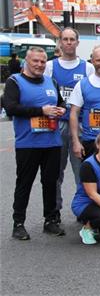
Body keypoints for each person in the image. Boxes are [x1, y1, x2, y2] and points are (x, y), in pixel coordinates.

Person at [4, 47, 66, 239]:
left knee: (50, 183)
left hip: (52, 142)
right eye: (35, 61)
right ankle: (18, 223)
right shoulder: (14, 81)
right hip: (28, 144)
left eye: (42, 61)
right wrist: (41, 111)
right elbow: (10, 108)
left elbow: (61, 103)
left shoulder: (51, 81)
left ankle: (51, 220)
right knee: (24, 183)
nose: (39, 65)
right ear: (26, 62)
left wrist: (61, 110)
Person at [44, 28, 94, 221]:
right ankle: (54, 212)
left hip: (80, 126)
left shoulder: (86, 68)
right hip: (56, 127)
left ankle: (83, 211)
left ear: (77, 42)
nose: (69, 42)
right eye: (65, 39)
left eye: (72, 39)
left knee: (81, 172)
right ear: (60, 42)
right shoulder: (50, 67)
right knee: (56, 173)